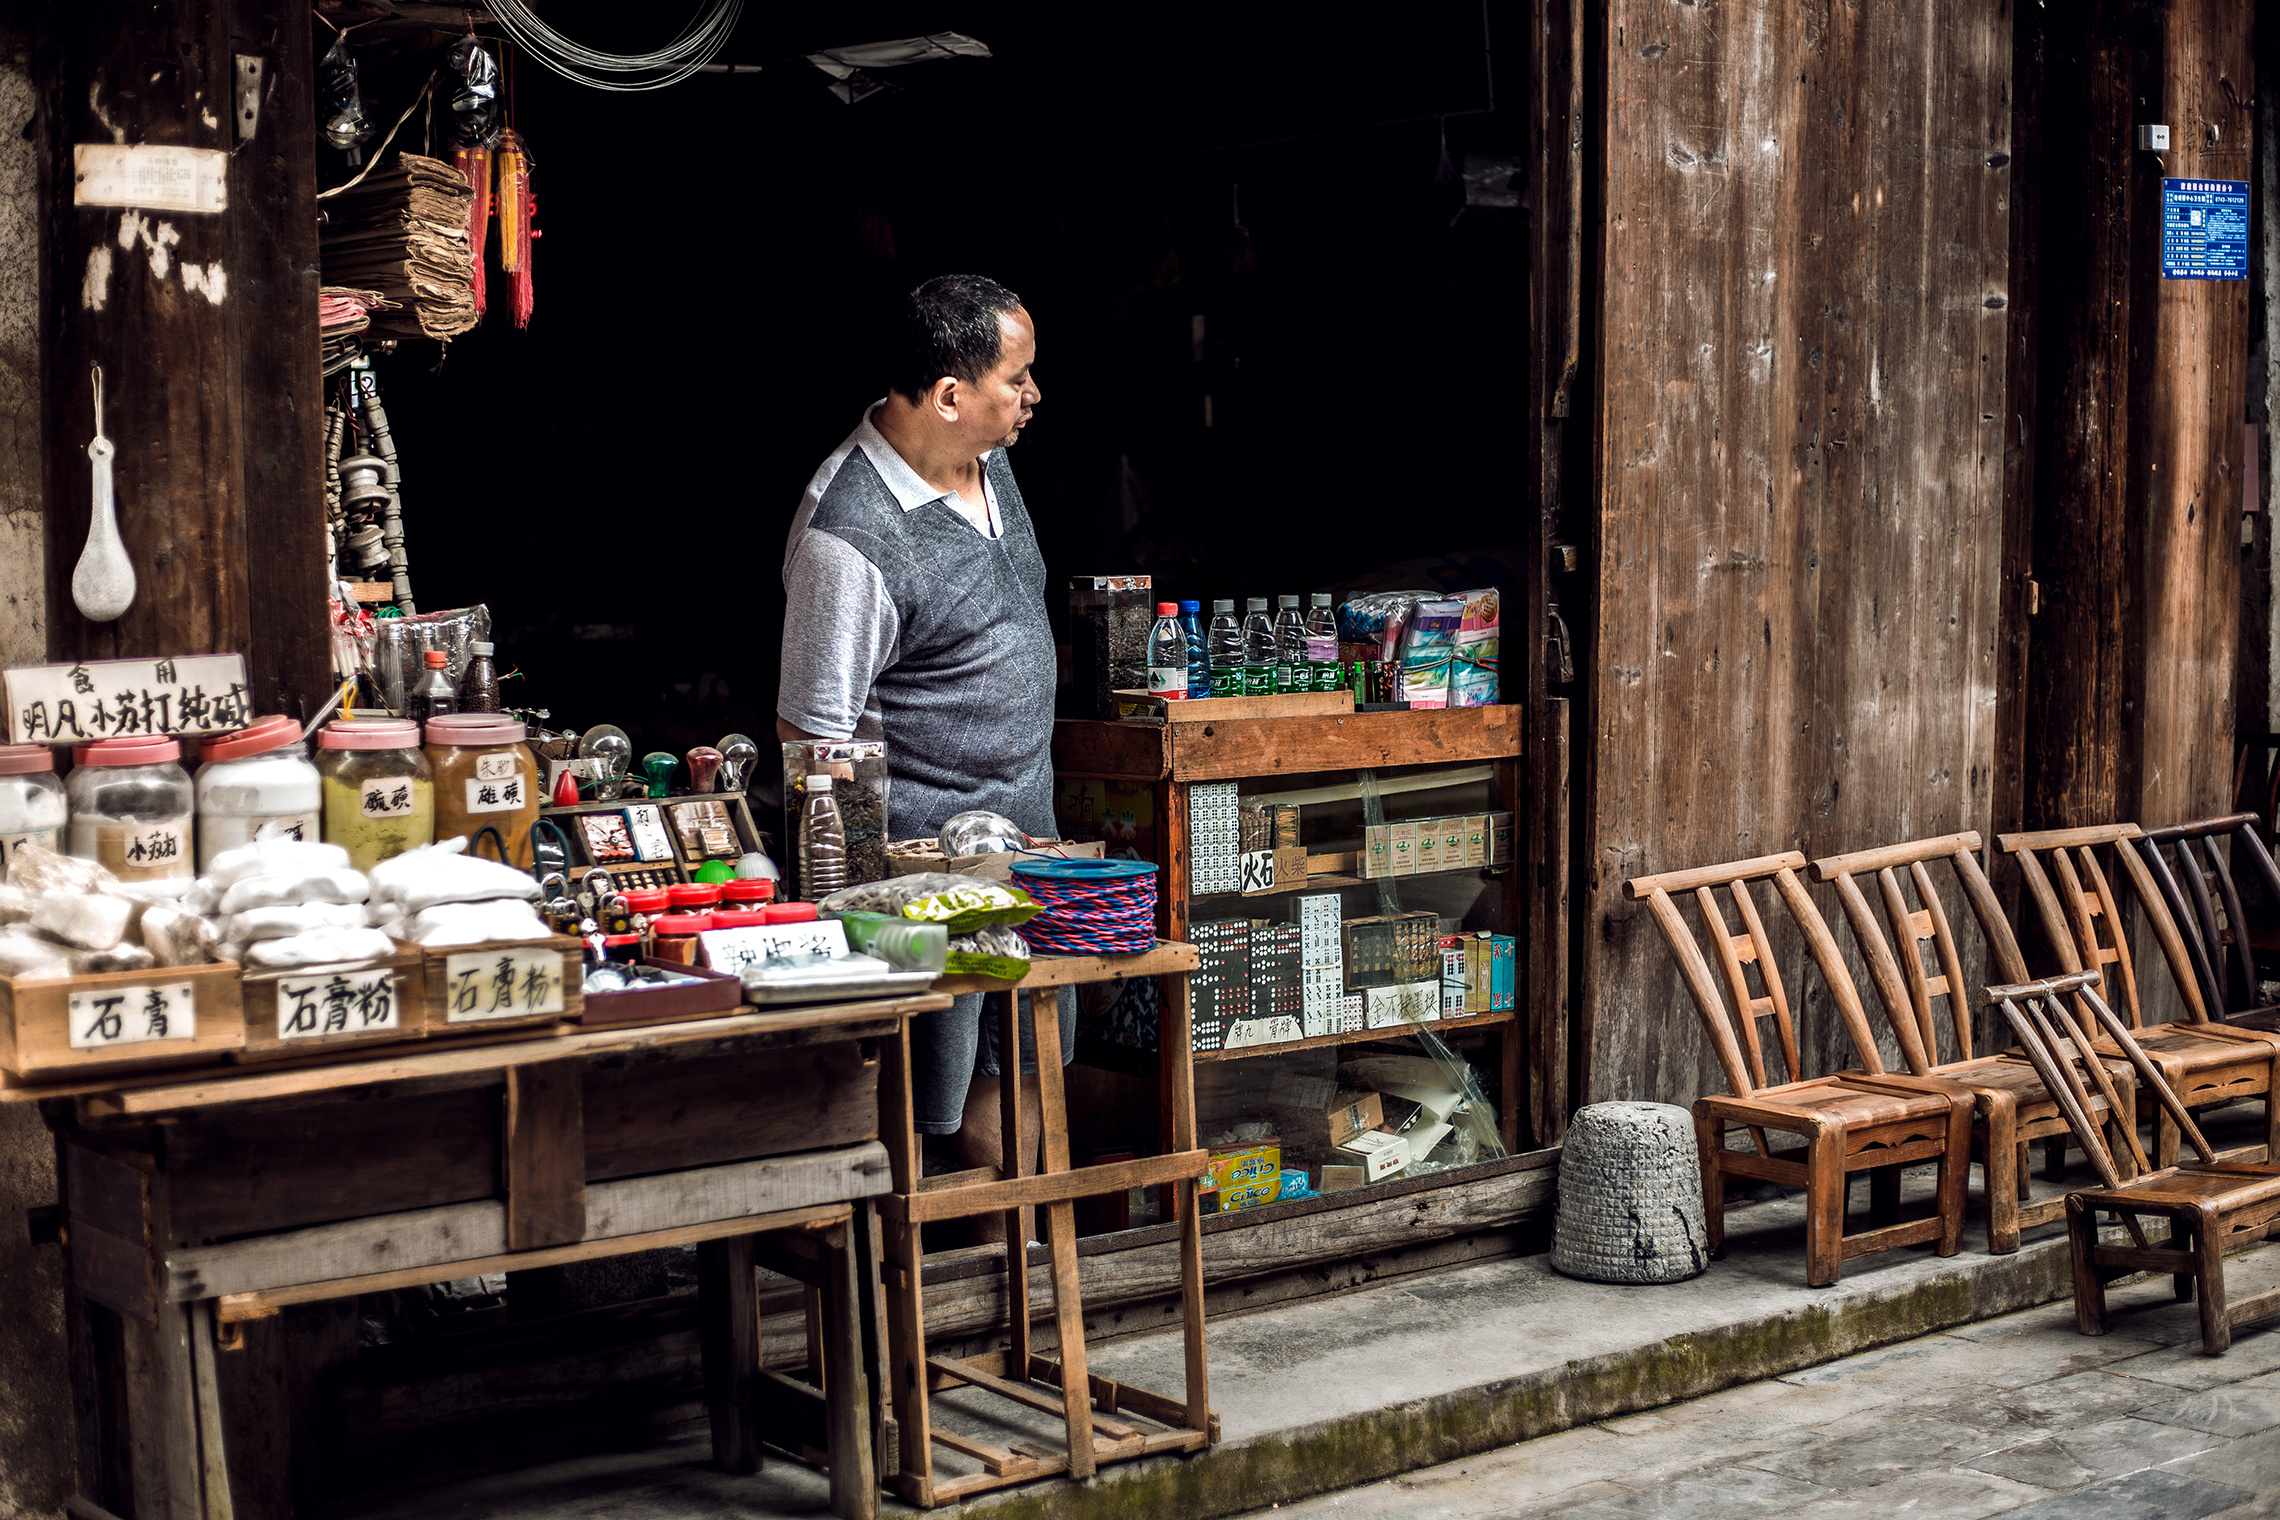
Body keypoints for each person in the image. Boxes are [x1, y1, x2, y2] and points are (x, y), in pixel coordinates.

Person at [776, 274, 1072, 1224]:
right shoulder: (849, 538)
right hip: (920, 877)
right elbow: (814, 742)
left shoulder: (989, 461)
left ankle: (1017, 1280)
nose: (1034, 397)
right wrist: (867, 918)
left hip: (1027, 837)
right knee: (920, 1095)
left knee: (1024, 1058)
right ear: (949, 394)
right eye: (1016, 379)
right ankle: (925, 1309)